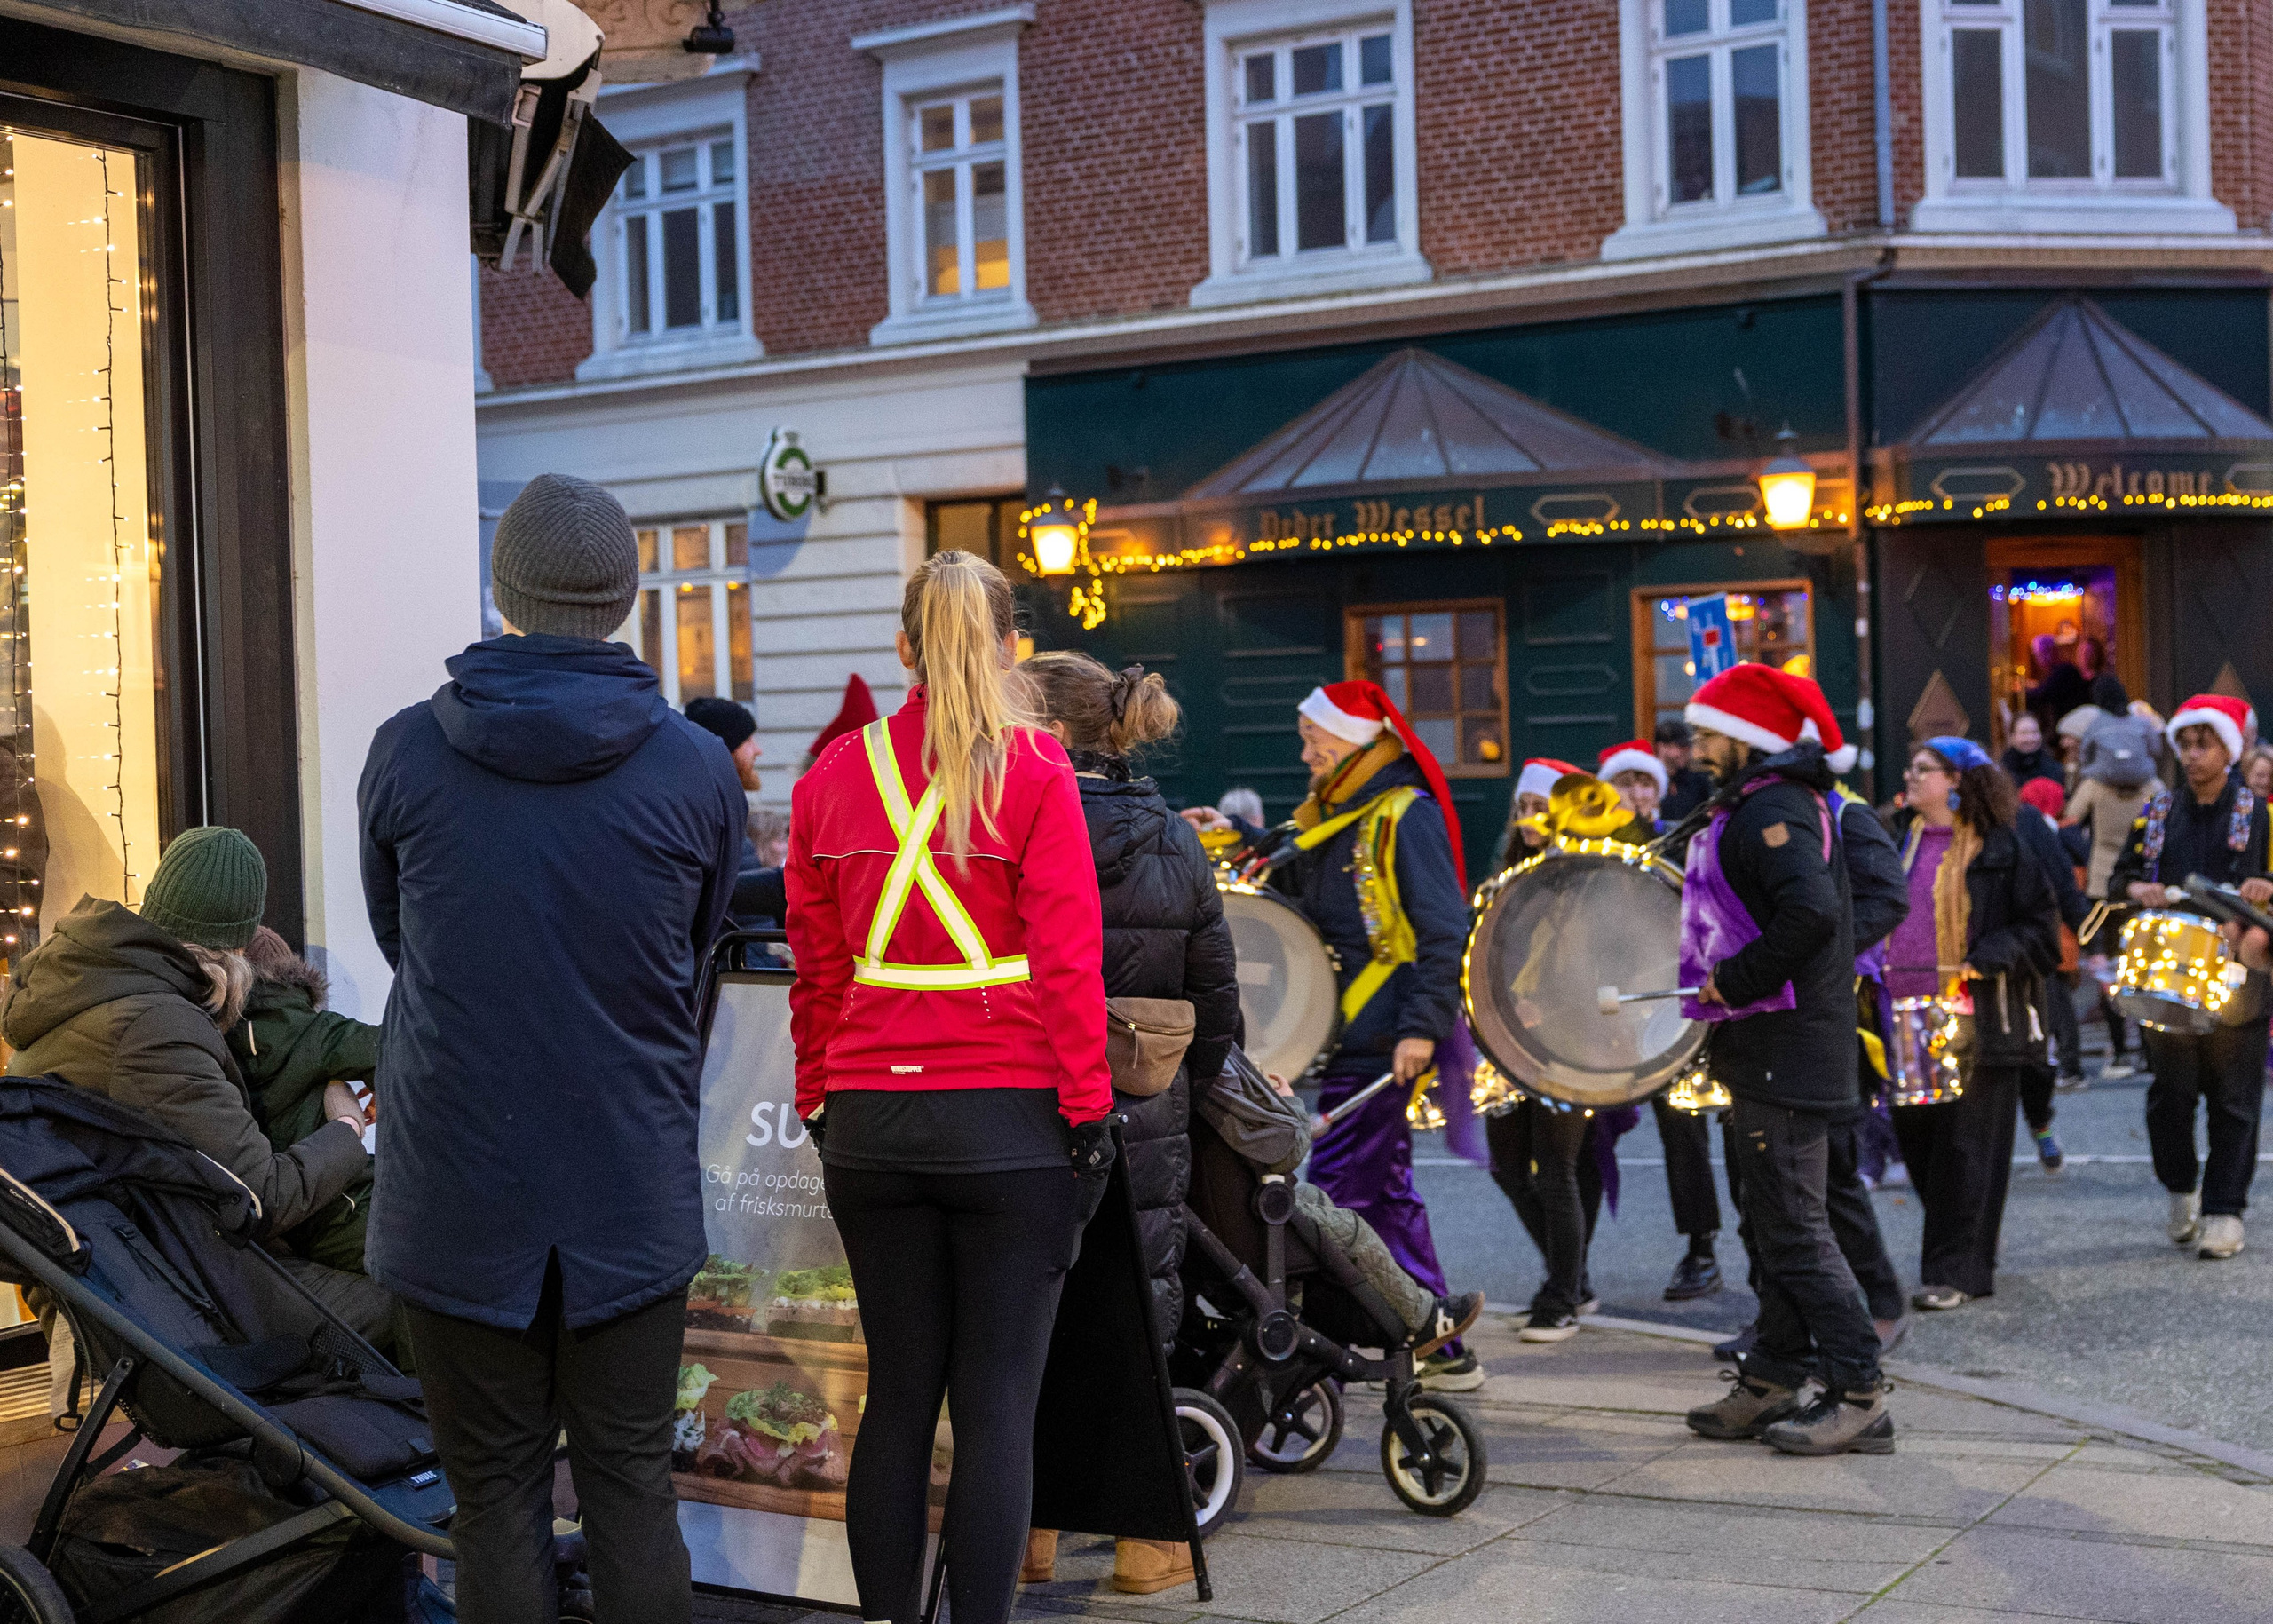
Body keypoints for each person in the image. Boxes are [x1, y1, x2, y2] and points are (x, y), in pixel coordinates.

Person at [360, 473, 747, 1624]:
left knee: (494, 1499)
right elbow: (698, 949)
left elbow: (401, 941)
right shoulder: (693, 771)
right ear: (627, 601)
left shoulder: (405, 754)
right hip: (626, 1179)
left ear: (504, 590)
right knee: (633, 1484)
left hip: (454, 1184)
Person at [788, 551, 1115, 1624]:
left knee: (894, 1399)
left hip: (872, 1124)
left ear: (902, 650)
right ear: (1009, 647)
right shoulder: (1037, 771)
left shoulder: (831, 776)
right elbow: (1069, 963)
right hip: (1011, 1119)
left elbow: (817, 966)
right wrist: (1088, 1107)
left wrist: (816, 1095)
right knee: (995, 1408)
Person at [1019, 651, 1237, 1598]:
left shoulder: (1013, 819)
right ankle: (1151, 1548)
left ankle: (1029, 1534)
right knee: (1140, 1317)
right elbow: (1217, 1000)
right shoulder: (1176, 841)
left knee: (1027, 1318)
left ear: (1043, 729)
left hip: (1028, 1100)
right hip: (1146, 1105)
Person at [1183, 681, 1474, 1387]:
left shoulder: (1405, 816)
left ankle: (1416, 1337)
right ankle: (1427, 1336)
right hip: (1352, 1033)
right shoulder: (1341, 813)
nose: (1306, 753)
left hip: (1383, 1036)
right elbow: (1310, 904)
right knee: (1378, 1189)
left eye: (1317, 740)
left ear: (1357, 744)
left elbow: (1443, 931)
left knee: (1344, 1190)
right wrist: (1239, 837)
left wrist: (1421, 1028)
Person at [4, 828, 383, 1335]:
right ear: (240, 948)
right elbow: (261, 1197)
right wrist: (347, 1128)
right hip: (183, 1293)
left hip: (129, 1275)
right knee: (420, 1309)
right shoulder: (153, 1025)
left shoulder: (87, 986)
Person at [1675, 664, 1889, 1456]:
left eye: (1706, 734)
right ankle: (1772, 1376)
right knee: (1773, 1224)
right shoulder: (1762, 802)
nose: (1696, 748)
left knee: (1796, 1227)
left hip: (1788, 1048)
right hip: (1771, 1047)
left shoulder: (1773, 809)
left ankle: (1861, 1391)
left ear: (1748, 739)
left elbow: (1814, 911)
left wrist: (1734, 979)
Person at [1884, 739, 2059, 1311]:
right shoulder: (1893, 840)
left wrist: (1987, 956)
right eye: (1911, 767)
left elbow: (2039, 927)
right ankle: (1961, 1248)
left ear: (1957, 780)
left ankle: (1958, 1270)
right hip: (1902, 1016)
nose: (1909, 776)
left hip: (1977, 1016)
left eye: (1923, 769)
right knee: (1919, 1144)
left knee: (1968, 1145)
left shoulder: (2002, 847)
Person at [2109, 693, 2273, 1260]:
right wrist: (2138, 890)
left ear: (2229, 750)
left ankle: (2225, 1212)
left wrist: (2266, 891)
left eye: (2204, 744)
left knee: (2234, 1099)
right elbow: (2117, 880)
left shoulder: (2263, 815)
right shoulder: (2156, 813)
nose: (2192, 755)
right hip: (2168, 972)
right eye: (2185, 743)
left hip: (2238, 973)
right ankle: (2182, 1188)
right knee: (2171, 1098)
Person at [230, 925, 382, 1278]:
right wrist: (381, 1089)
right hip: (347, 1209)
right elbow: (396, 1051)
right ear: (295, 979)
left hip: (282, 1226)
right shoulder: (311, 1032)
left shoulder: (215, 1042)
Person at [2064, 701, 2163, 1081]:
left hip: (2102, 883)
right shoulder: (2152, 785)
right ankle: (2152, 1053)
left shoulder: (2093, 784)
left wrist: (2088, 852)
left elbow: (2070, 821)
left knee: (2108, 968)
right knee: (2150, 966)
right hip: (2144, 886)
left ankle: (2121, 1052)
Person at [2012, 773, 2091, 1152]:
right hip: (1967, 961)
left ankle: (2040, 1119)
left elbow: (2063, 881)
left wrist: (2086, 933)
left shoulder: (2025, 822)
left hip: (2029, 951)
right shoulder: (1920, 829)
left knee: (2035, 1053)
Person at [685, 696, 788, 931]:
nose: (758, 750)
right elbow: (748, 927)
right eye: (748, 740)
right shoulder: (717, 822)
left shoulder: (716, 812)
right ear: (725, 749)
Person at [1657, 719, 1715, 822]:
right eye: (1680, 746)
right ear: (1662, 747)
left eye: (1687, 746)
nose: (1686, 751)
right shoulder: (1651, 782)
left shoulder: (1700, 782)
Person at [2000, 713, 2063, 792]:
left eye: (2034, 732)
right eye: (2024, 733)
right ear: (2012, 737)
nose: (2030, 739)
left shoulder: (2054, 768)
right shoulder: (2002, 770)